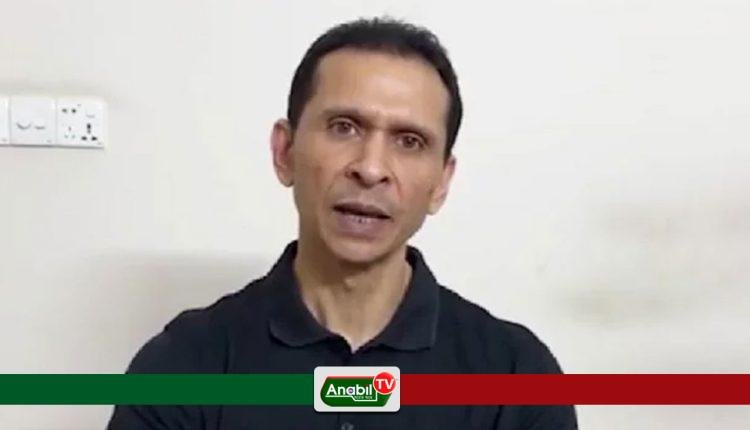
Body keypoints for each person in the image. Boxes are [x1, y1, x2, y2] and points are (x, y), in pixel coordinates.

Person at [107, 17, 578, 429]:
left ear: (441, 182)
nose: (371, 169)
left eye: (409, 141)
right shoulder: (183, 365)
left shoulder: (517, 377)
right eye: (344, 127)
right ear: (285, 152)